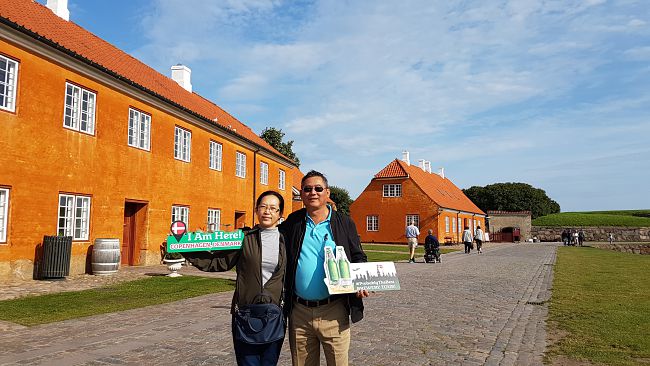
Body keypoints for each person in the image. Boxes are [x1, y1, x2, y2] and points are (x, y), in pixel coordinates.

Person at [183, 191, 287, 366]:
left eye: (273, 208)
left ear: (280, 214)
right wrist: (186, 248)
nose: (267, 212)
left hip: (274, 314)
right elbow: (218, 262)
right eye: (263, 207)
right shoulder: (244, 238)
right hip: (246, 314)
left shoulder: (286, 240)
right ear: (256, 210)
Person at [280, 170, 369, 366]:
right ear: (302, 194)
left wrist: (361, 280)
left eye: (318, 188)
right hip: (299, 312)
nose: (313, 192)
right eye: (307, 189)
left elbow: (358, 256)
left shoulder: (344, 223)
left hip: (334, 311)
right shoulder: (292, 222)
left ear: (327, 193)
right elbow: (269, 238)